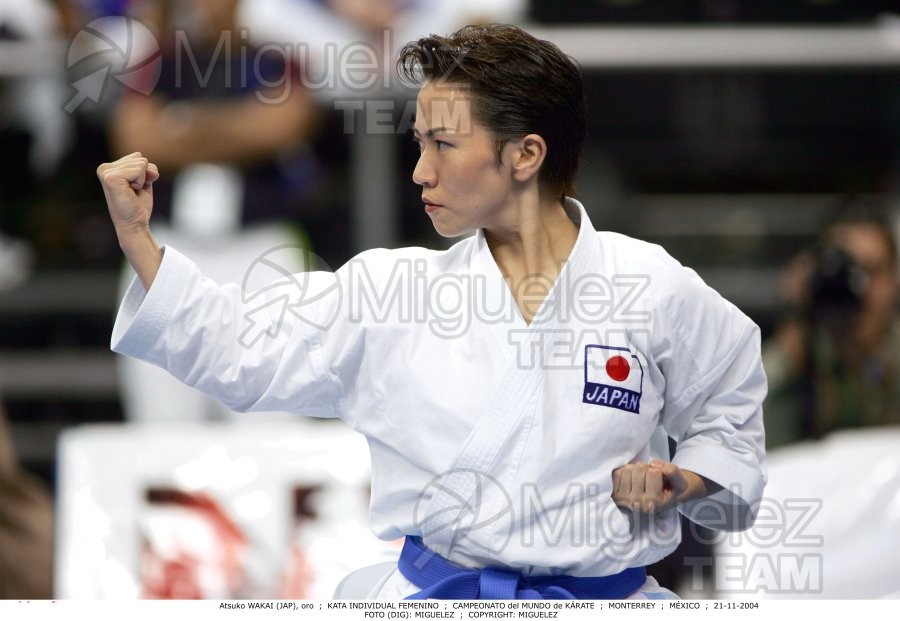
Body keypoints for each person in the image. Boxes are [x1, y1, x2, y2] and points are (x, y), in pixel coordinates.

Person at [98, 24, 767, 599]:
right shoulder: (394, 291)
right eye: (418, 144)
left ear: (526, 155)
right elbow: (238, 343)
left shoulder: (649, 286)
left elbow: (728, 406)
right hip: (437, 597)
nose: (419, 170)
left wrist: (689, 474)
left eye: (442, 144)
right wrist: (140, 242)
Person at [763, 198, 900, 447]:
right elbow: (742, 440)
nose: (860, 287)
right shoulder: (800, 356)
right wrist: (797, 324)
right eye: (847, 271)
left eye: (873, 270)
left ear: (895, 281)